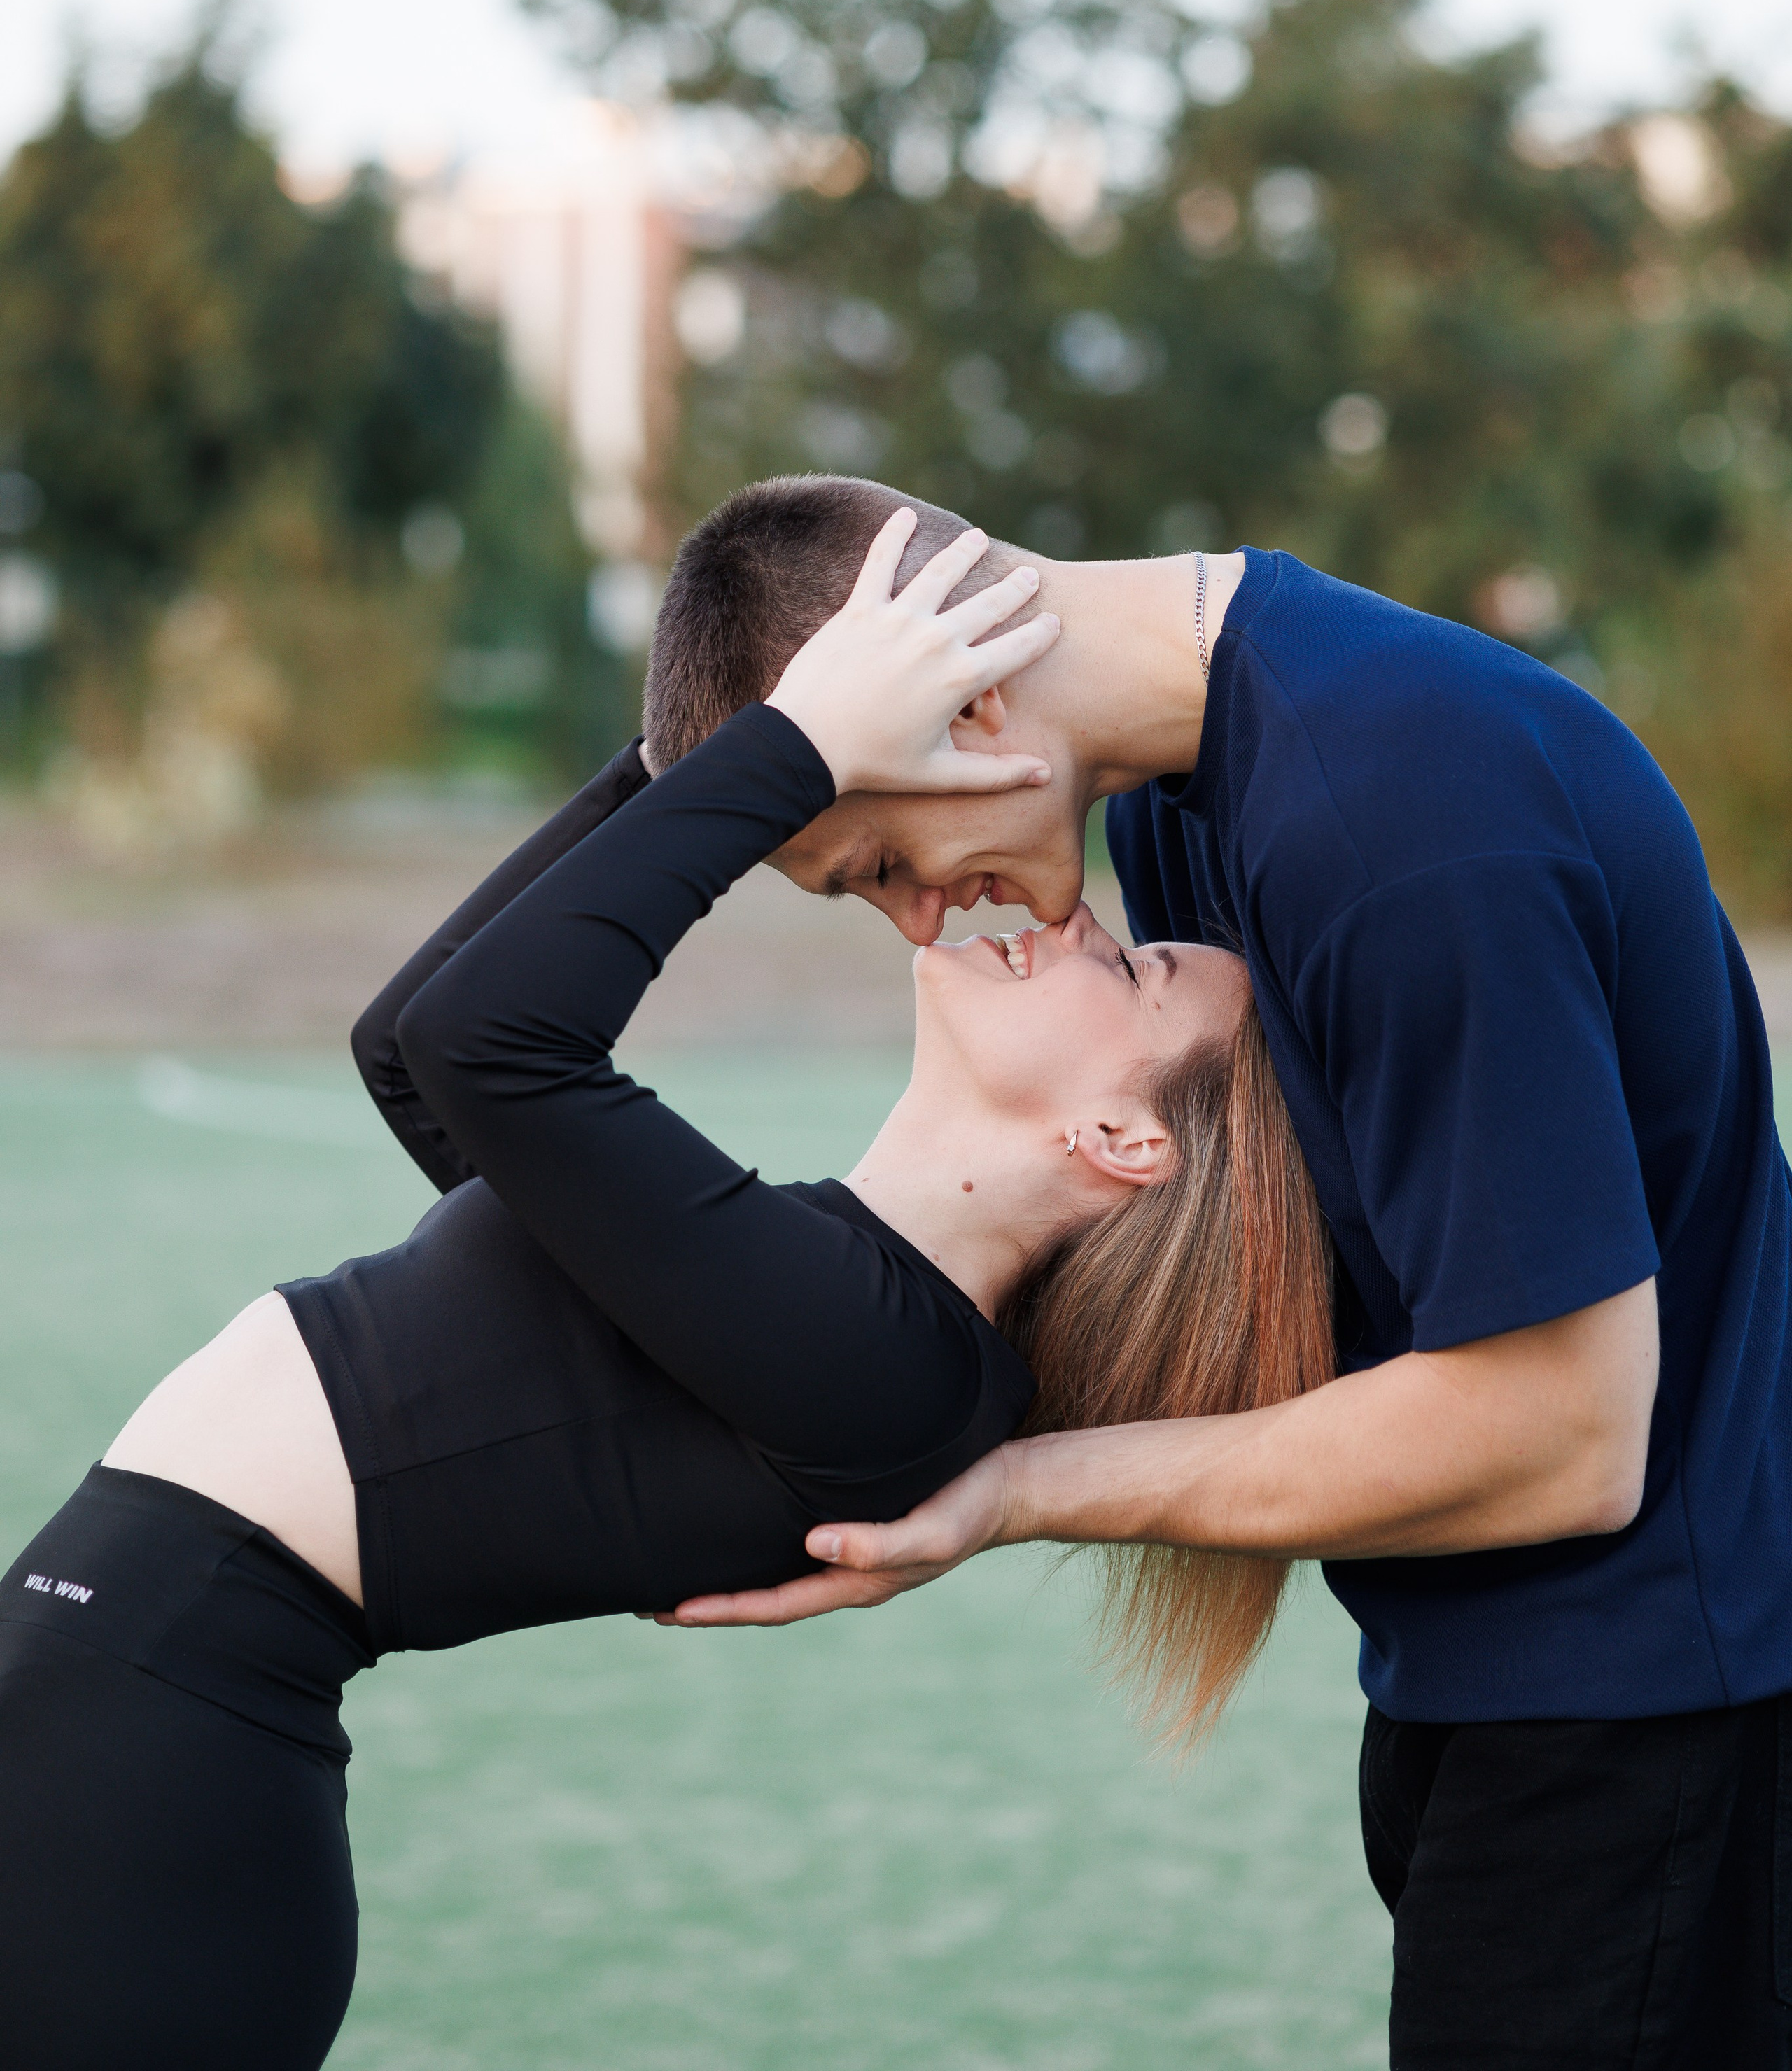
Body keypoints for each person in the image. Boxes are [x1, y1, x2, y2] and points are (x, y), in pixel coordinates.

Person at [0, 521, 1334, 2071]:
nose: (1081, 922)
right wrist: (682, 748)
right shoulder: (817, 1284)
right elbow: (416, 1049)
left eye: (1146, 971)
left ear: (1122, 1137)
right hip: (131, 1717)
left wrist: (796, 747)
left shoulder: (888, 1367)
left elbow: (489, 1041)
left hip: (159, 1755)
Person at [639, 473, 1792, 2071]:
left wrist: (1021, 1488)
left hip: (1654, 1708)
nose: (920, 926)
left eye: (883, 860)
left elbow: (1563, 1436)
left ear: (968, 696)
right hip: (1485, 1680)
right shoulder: (1176, 796)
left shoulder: (1395, 812)